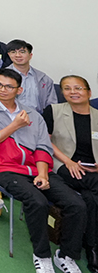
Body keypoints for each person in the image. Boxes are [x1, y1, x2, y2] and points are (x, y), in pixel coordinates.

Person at [0, 69, 86, 273]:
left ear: (19, 90)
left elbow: (43, 147)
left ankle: (66, 255)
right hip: (4, 168)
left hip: (36, 168)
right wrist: (14, 125)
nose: (2, 90)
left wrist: (42, 173)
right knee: (37, 202)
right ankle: (42, 255)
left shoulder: (33, 114)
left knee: (76, 204)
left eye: (9, 86)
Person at [44, 75, 98, 273]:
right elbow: (45, 142)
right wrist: (68, 161)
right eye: (67, 88)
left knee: (90, 200)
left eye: (78, 88)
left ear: (89, 92)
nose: (73, 92)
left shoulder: (97, 115)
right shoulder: (54, 111)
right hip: (63, 165)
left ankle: (91, 248)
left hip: (91, 171)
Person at [5, 39, 57, 114]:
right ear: (9, 55)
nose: (18, 55)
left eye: (22, 52)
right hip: (9, 118)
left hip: (37, 119)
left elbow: (52, 105)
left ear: (30, 55)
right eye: (13, 52)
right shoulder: (2, 77)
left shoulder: (43, 79)